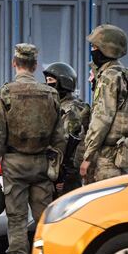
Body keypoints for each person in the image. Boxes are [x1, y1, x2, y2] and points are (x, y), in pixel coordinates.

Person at [0, 43, 65, 254]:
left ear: (15, 64)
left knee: (17, 218)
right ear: (35, 66)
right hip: (42, 164)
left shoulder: (6, 93)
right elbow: (59, 136)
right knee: (44, 218)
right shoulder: (51, 94)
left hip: (14, 164)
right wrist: (55, 164)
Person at [80, 25, 128, 183]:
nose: (92, 50)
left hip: (107, 159)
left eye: (95, 47)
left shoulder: (109, 77)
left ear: (106, 49)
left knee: (100, 204)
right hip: (122, 155)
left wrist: (87, 156)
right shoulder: (127, 75)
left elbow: (102, 119)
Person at [43, 62, 90, 195]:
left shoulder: (73, 108)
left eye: (51, 80)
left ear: (64, 83)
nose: (47, 84)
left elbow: (66, 142)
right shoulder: (55, 105)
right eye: (46, 80)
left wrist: (65, 176)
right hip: (55, 169)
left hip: (67, 172)